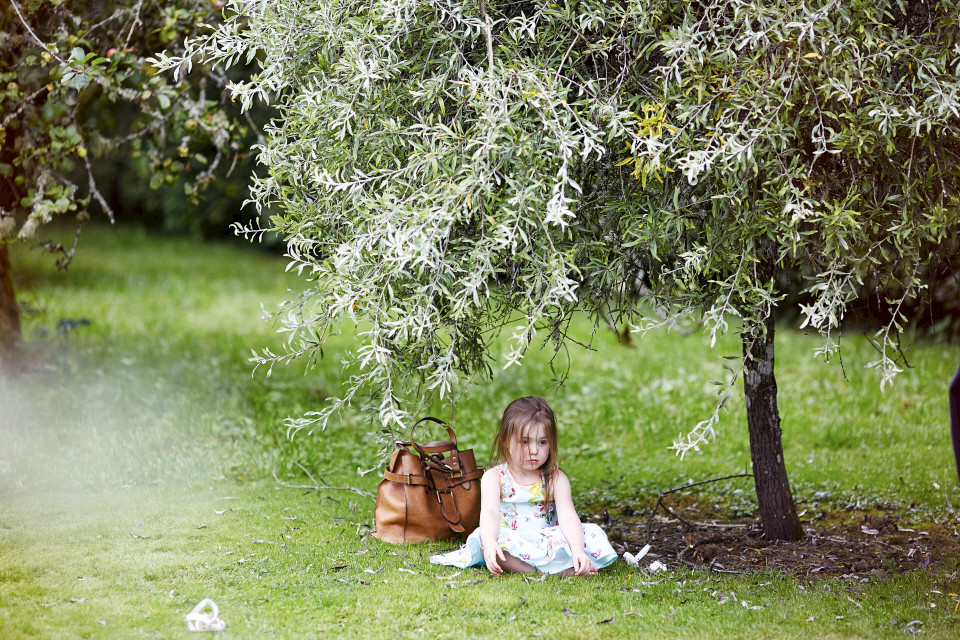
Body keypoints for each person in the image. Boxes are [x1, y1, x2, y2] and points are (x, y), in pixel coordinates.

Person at [430, 396, 617, 576]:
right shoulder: (494, 477)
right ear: (505, 440)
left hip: (547, 543)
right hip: (512, 542)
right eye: (525, 442)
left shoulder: (556, 478)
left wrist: (577, 549)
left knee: (590, 533)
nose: (534, 450)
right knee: (484, 539)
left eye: (542, 442)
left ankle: (567, 564)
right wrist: (489, 543)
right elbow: (490, 513)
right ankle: (544, 572)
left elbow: (568, 516)